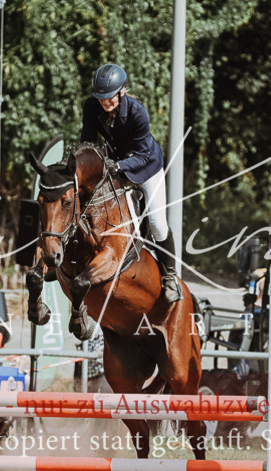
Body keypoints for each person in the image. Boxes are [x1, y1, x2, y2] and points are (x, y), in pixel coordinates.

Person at [80, 63, 183, 304]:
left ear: (121, 92)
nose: (105, 102)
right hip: (115, 166)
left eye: (109, 97)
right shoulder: (91, 107)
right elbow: (87, 142)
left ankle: (170, 277)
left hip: (147, 168)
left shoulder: (137, 112)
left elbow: (144, 155)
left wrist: (119, 167)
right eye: (100, 98)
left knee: (157, 223)